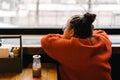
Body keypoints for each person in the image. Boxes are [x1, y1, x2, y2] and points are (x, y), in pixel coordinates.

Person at [41, 12, 112, 80]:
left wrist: (65, 37)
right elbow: (100, 32)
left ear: (71, 32)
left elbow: (45, 40)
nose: (63, 31)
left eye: (65, 28)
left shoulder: (70, 46)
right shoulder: (102, 40)